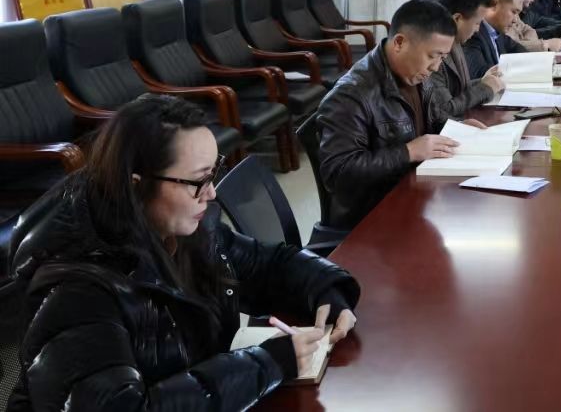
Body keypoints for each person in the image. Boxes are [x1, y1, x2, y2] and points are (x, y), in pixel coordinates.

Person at [6, 95, 361, 411]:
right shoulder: (75, 291)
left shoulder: (184, 228)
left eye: (212, 174)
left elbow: (266, 265)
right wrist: (267, 364)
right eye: (198, 181)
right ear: (136, 186)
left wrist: (325, 291)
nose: (212, 194)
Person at [316, 0, 465, 230]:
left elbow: (430, 118)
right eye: (432, 56)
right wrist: (408, 152)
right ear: (399, 43)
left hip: (417, 196)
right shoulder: (351, 95)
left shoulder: (416, 74)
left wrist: (460, 126)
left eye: (443, 58)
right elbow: (338, 173)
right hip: (372, 218)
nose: (436, 67)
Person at [428, 0, 507, 121]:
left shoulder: (457, 41)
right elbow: (445, 109)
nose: (478, 30)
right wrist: (486, 88)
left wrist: (484, 82)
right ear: (457, 19)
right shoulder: (433, 52)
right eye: (477, 23)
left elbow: (457, 89)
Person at [462, 0, 529, 78]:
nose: (515, 20)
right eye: (513, 12)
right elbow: (480, 75)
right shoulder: (473, 33)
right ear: (494, 4)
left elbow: (522, 52)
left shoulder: (497, 32)